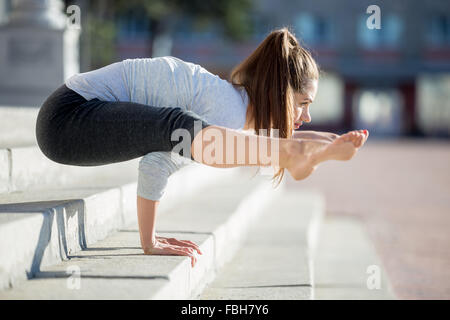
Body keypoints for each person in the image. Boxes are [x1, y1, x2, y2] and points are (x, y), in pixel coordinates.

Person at [35, 27, 369, 268]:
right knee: (180, 128)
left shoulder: (227, 110)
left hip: (69, 120)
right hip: (68, 118)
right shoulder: (227, 109)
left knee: (183, 130)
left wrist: (151, 239)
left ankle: (294, 151)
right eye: (302, 103)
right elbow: (158, 159)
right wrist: (150, 243)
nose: (306, 115)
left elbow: (158, 158)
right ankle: (291, 152)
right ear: (280, 92)